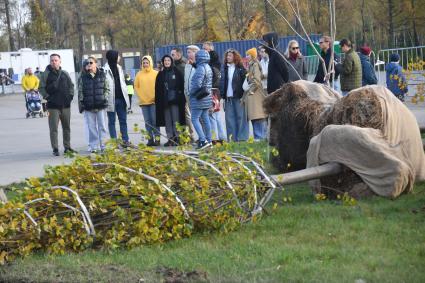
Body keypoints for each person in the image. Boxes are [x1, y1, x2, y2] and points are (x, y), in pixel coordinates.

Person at [39, 54, 75, 156]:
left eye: (56, 60)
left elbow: (71, 86)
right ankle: (55, 148)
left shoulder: (65, 73)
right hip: (52, 106)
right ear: (50, 62)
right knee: (53, 128)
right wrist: (47, 97)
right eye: (52, 60)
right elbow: (41, 88)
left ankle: (67, 147)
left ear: (60, 61)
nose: (54, 62)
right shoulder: (46, 74)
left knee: (66, 127)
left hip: (66, 105)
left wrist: (70, 96)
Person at [78, 56, 109, 153]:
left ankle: (104, 145)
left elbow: (107, 89)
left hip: (101, 105)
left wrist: (105, 98)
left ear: (96, 64)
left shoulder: (102, 75)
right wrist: (82, 103)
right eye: (87, 63)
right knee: (91, 127)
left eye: (91, 63)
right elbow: (80, 91)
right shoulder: (83, 77)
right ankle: (94, 146)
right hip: (88, 106)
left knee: (102, 126)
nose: (89, 65)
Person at [155, 55, 186, 146]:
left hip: (176, 101)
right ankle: (170, 138)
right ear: (163, 62)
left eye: (168, 60)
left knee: (176, 119)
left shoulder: (177, 72)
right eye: (165, 60)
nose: (167, 62)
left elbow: (181, 85)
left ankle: (178, 137)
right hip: (165, 101)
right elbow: (157, 89)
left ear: (171, 61)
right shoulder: (160, 74)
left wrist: (180, 96)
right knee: (167, 120)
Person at [104, 50, 131, 147]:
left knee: (123, 121)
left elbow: (123, 83)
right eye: (118, 56)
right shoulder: (104, 70)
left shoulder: (119, 68)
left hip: (121, 99)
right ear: (114, 57)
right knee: (112, 122)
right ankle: (114, 142)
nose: (119, 57)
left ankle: (125, 140)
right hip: (111, 100)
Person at [222, 48, 248, 142]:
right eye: (227, 56)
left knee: (241, 118)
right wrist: (223, 95)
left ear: (235, 57)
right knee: (229, 119)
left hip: (239, 97)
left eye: (230, 55)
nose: (227, 57)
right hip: (228, 98)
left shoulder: (241, 69)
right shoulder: (225, 68)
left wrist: (243, 96)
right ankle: (232, 139)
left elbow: (245, 83)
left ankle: (242, 139)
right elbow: (223, 83)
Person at [189, 49, 213, 149]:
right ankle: (209, 140)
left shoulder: (200, 68)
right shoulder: (208, 67)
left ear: (199, 58)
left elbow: (197, 84)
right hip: (206, 97)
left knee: (194, 119)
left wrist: (191, 92)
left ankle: (202, 140)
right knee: (205, 118)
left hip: (198, 98)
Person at [203, 41, 226, 144]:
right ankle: (221, 137)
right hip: (215, 91)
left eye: (206, 49)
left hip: (212, 91)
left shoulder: (212, 61)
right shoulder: (215, 61)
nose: (204, 51)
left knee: (212, 115)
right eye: (203, 48)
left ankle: (215, 138)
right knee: (216, 116)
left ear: (211, 49)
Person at [134, 55, 160, 146]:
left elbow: (159, 86)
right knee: (147, 122)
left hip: (154, 101)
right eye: (143, 63)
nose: (145, 64)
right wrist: (141, 97)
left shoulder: (156, 73)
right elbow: (136, 87)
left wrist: (156, 97)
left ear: (150, 63)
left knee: (154, 121)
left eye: (147, 62)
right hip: (144, 102)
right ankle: (150, 139)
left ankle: (157, 139)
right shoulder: (139, 74)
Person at [244, 48, 267, 141]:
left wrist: (250, 90)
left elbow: (257, 80)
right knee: (254, 117)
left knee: (257, 117)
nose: (246, 56)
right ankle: (258, 138)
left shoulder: (255, 65)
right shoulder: (251, 65)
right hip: (253, 95)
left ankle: (259, 138)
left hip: (256, 95)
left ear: (252, 56)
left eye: (248, 55)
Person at [184, 45, 200, 141]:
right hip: (188, 94)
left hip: (196, 95)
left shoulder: (199, 64)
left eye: (190, 52)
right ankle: (198, 136)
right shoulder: (187, 64)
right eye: (188, 52)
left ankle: (204, 137)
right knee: (193, 117)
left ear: (195, 53)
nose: (188, 54)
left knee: (199, 118)